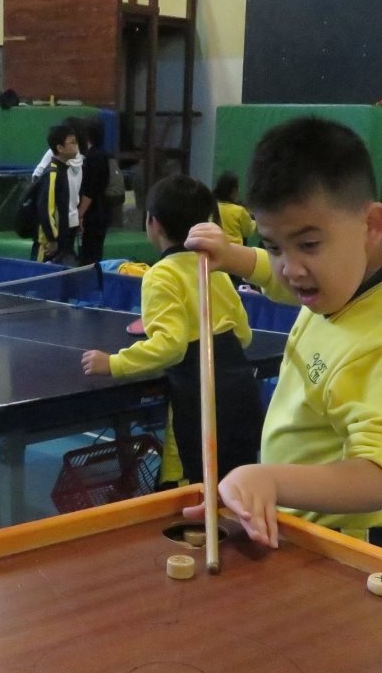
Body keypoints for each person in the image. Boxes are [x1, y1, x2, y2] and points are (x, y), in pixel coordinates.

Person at [184, 117, 382, 546]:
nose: (290, 269)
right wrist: (231, 255)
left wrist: (269, 480)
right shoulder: (342, 279)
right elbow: (282, 280)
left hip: (353, 544)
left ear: (372, 224)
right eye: (273, 245)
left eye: (308, 244)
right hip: (301, 525)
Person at [80, 176, 263, 485]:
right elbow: (243, 334)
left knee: (202, 489)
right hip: (242, 392)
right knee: (238, 488)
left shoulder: (161, 275)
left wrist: (113, 363)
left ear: (154, 223)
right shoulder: (215, 268)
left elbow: (171, 346)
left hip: (202, 399)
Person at [30, 114, 88, 247]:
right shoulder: (56, 168)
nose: (75, 144)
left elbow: (37, 176)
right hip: (62, 221)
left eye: (75, 141)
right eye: (72, 141)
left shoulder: (74, 159)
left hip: (66, 221)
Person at [32, 124, 81, 264]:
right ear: (60, 148)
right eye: (72, 143)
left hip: (63, 238)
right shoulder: (52, 174)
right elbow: (46, 209)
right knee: (42, 275)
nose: (76, 146)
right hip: (49, 244)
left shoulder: (64, 170)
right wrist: (52, 239)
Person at [77, 117, 112, 266]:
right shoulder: (103, 154)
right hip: (102, 210)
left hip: (93, 213)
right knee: (95, 252)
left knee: (88, 254)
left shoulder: (92, 157)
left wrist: (80, 214)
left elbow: (90, 190)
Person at [214, 171, 255, 246]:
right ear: (232, 191)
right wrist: (256, 221)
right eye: (237, 188)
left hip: (216, 247)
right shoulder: (239, 210)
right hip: (236, 249)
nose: (239, 191)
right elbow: (248, 231)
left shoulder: (213, 207)